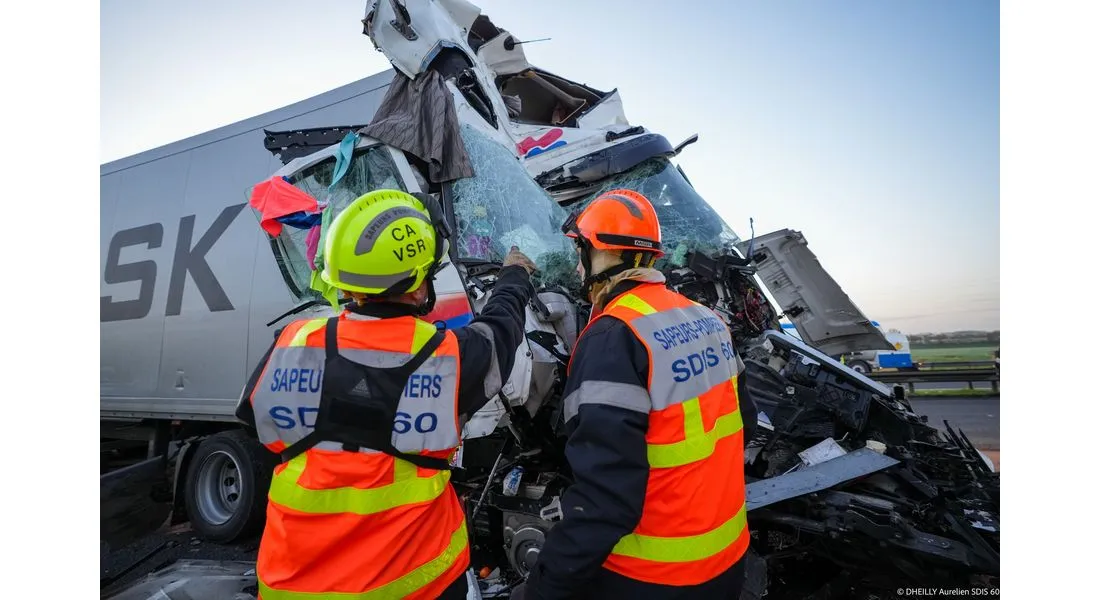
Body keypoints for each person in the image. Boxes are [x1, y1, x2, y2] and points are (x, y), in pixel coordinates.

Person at [235, 189, 536, 600]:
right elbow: (499, 332)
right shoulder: (444, 355)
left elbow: (254, 418)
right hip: (412, 582)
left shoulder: (295, 341)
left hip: (291, 582)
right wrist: (514, 276)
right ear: (415, 289)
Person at [517, 189, 758, 600]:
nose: (578, 268)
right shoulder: (708, 320)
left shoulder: (613, 337)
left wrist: (543, 587)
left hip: (652, 576)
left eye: (582, 252)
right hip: (728, 559)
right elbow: (745, 426)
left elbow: (604, 501)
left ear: (606, 256)